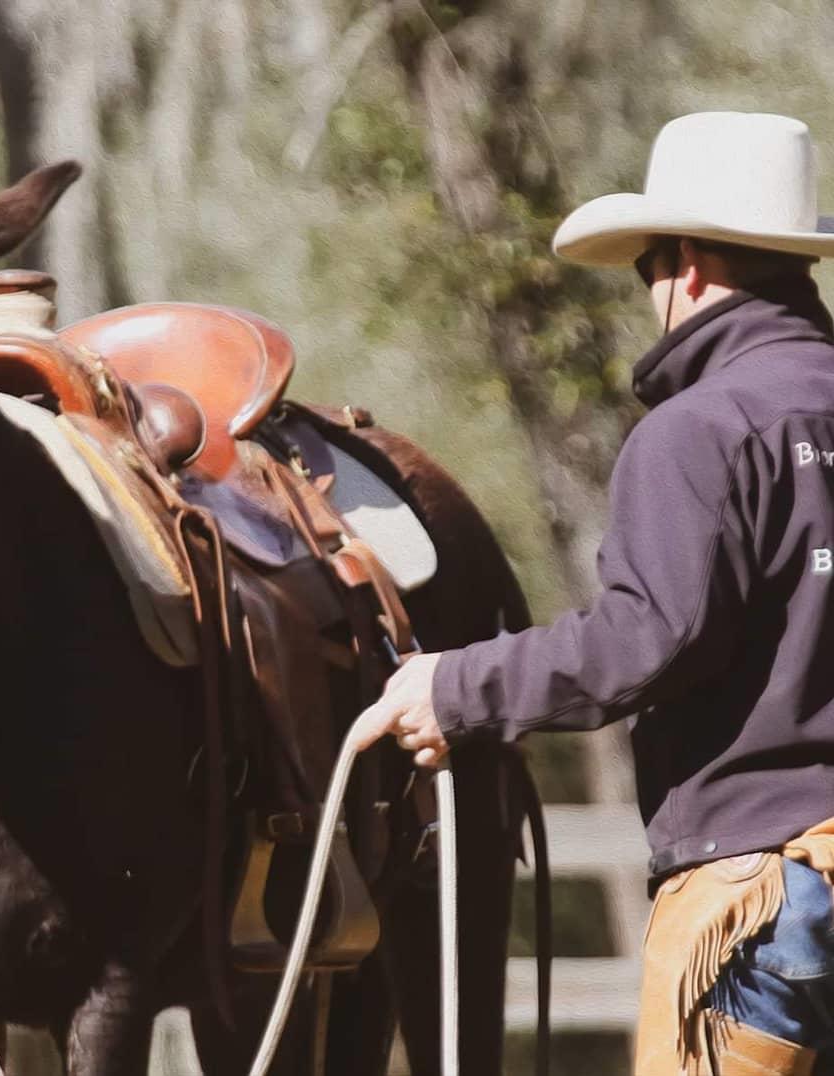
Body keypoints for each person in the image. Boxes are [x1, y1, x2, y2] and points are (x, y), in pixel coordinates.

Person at [351, 111, 834, 1074]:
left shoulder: (701, 428)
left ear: (686, 264)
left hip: (762, 896)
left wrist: (454, 687)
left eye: (646, 264)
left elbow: (645, 638)